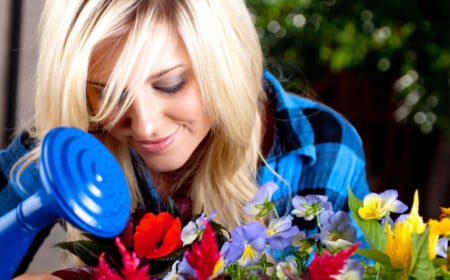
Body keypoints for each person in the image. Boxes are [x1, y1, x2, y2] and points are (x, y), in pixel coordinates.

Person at [1, 0, 370, 278]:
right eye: (109, 95)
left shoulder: (322, 148)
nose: (145, 127)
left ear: (223, 65)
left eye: (170, 84)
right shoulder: (72, 144)